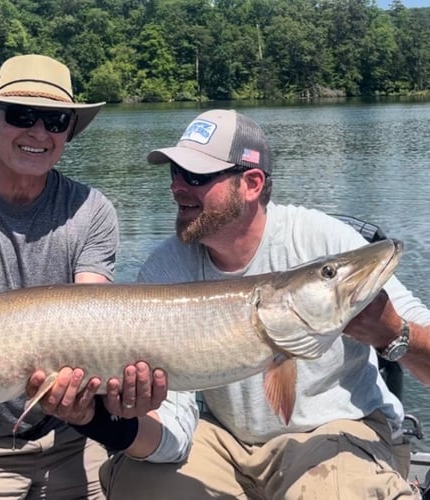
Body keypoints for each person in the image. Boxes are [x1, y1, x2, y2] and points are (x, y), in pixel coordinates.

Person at [97, 109, 430, 499]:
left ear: (252, 183)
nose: (176, 187)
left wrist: (394, 333)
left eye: (195, 176)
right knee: (142, 486)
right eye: (174, 173)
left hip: (338, 430)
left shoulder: (325, 242)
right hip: (227, 441)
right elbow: (174, 409)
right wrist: (116, 418)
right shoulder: (165, 268)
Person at [0, 54, 163, 499]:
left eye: (56, 120)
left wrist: (112, 383)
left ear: (68, 133)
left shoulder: (92, 211)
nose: (39, 132)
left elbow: (93, 324)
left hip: (70, 438)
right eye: (21, 115)